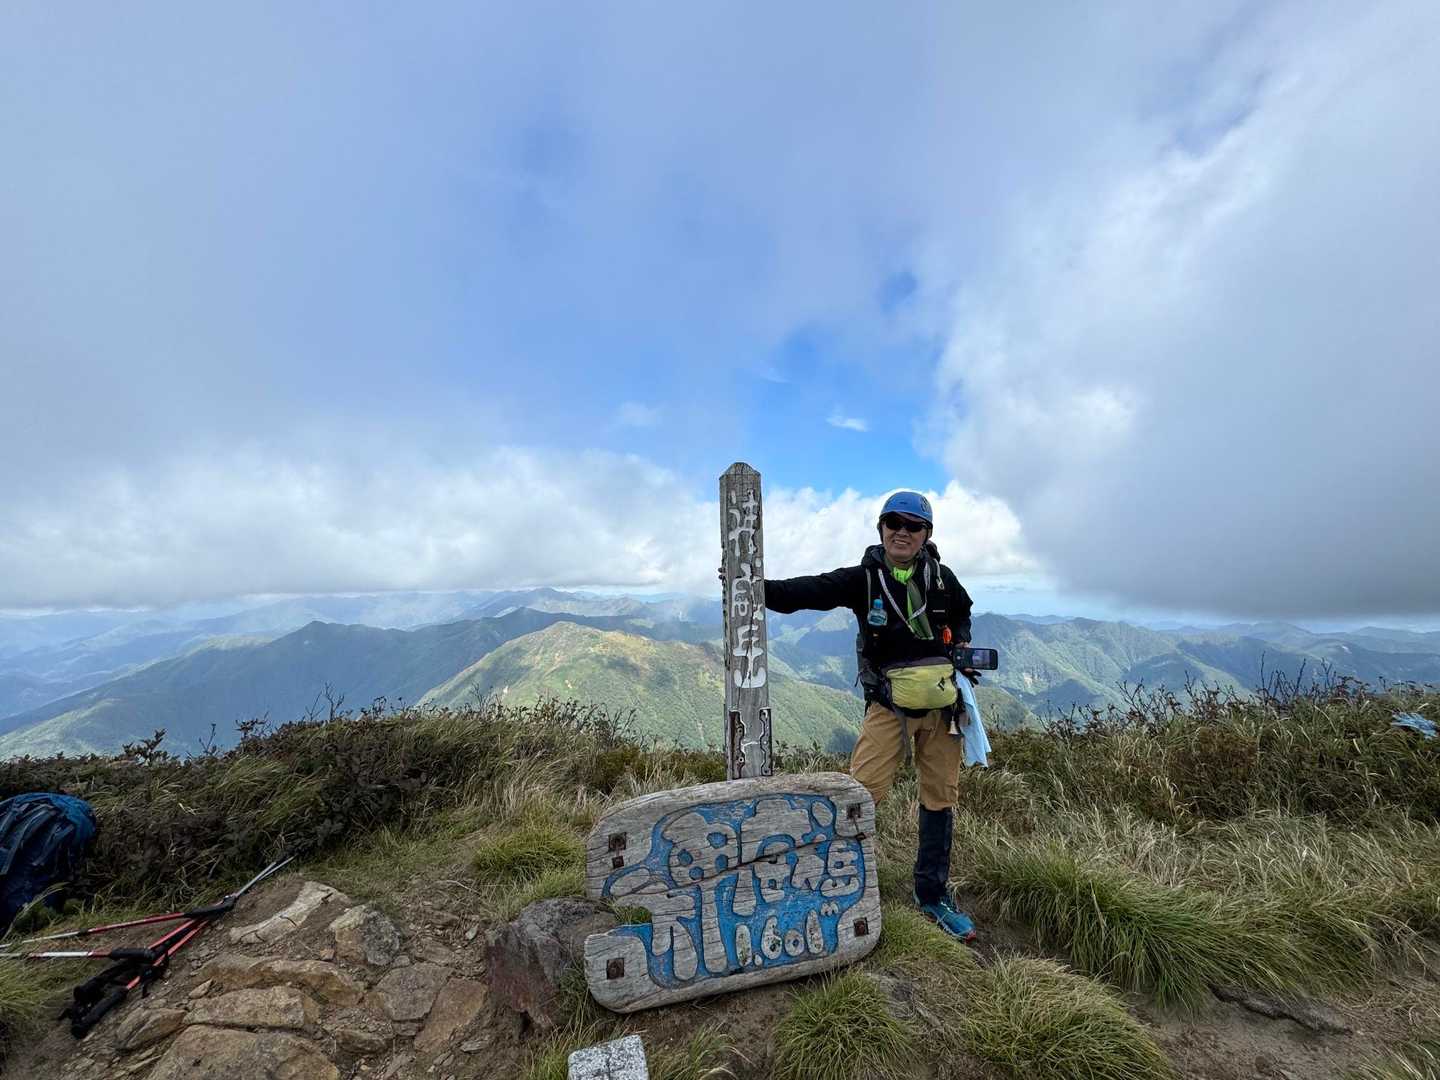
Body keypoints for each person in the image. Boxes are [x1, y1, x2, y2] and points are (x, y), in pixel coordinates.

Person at [764, 491, 979, 941]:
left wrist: (960, 641)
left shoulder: (942, 579)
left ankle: (932, 894)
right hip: (888, 708)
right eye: (893, 523)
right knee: (860, 796)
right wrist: (750, 585)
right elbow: (805, 592)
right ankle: (837, 886)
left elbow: (964, 611)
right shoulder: (863, 579)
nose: (902, 531)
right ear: (881, 528)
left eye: (913, 525)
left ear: (926, 534)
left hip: (943, 708)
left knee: (941, 797)